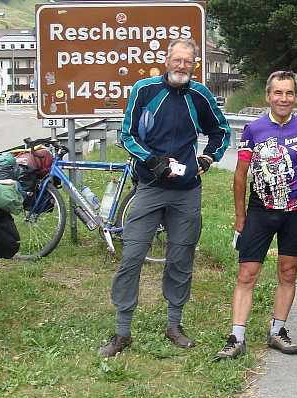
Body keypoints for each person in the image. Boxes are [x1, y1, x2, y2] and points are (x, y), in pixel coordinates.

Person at [99, 38, 231, 357]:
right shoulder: (144, 90)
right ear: (167, 59)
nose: (182, 66)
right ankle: (122, 331)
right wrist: (151, 161)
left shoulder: (199, 95)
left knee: (180, 258)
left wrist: (207, 159)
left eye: (188, 61)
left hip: (186, 191)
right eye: (177, 60)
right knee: (132, 255)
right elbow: (127, 134)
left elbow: (222, 132)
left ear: (194, 65)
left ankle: (174, 325)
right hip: (150, 187)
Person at [215, 70, 297, 360]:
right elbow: (240, 174)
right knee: (247, 274)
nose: (283, 99)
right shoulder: (254, 130)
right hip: (260, 211)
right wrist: (240, 215)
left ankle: (278, 331)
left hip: (295, 212)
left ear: (296, 97)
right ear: (268, 96)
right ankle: (237, 337)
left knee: (287, 272)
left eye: (289, 93)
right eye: (277, 93)